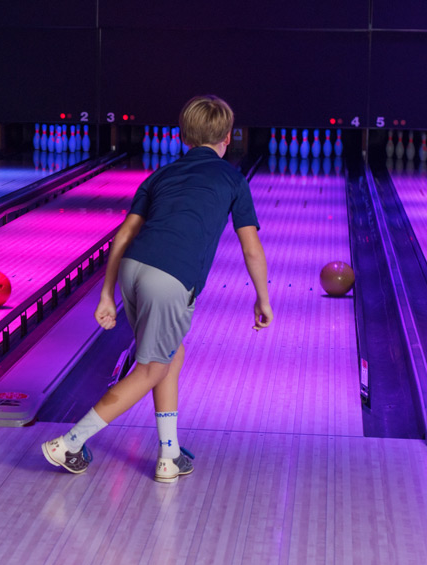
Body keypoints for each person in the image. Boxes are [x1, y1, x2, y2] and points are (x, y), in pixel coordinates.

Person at [41, 95, 272, 483]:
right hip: (170, 279)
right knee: (150, 367)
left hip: (133, 269)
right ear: (229, 137)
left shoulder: (161, 175)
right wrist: (263, 298)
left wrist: (106, 293)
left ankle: (169, 454)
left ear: (183, 137)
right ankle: (70, 442)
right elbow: (251, 246)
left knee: (170, 354)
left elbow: (124, 235)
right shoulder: (232, 178)